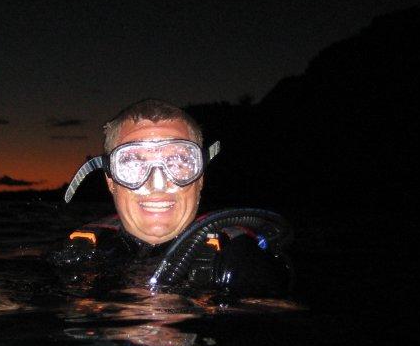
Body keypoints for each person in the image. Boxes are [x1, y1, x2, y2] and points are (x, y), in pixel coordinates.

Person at [51, 98, 293, 295]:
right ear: (111, 181)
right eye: (133, 164)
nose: (157, 184)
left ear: (200, 178)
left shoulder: (241, 263)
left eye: (179, 162)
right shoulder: (79, 251)